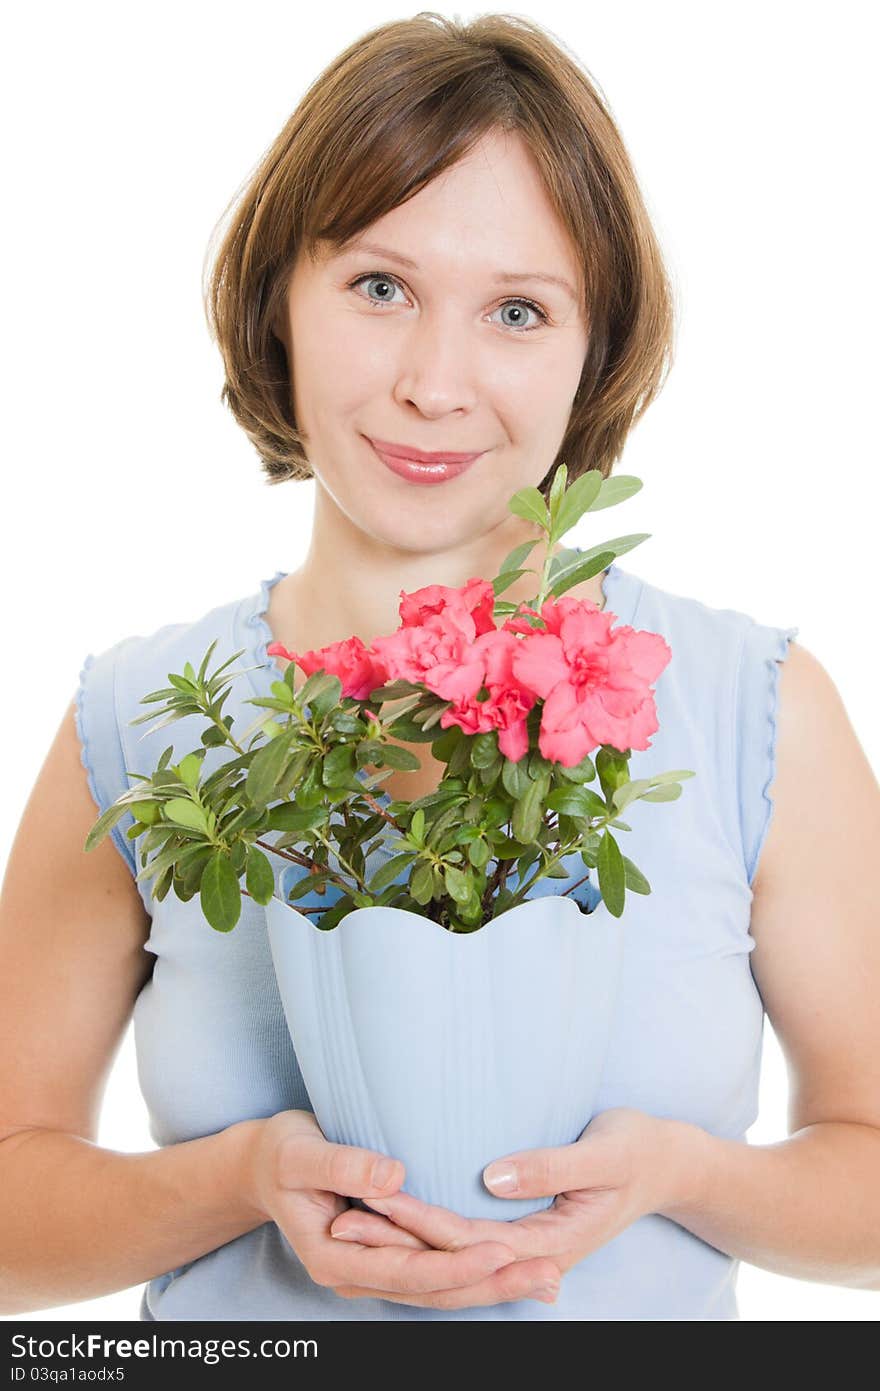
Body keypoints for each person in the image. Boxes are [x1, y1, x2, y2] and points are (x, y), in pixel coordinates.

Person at [1, 12, 878, 1322]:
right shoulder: (132, 724)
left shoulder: (751, 707)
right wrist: (245, 1180)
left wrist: (681, 1176)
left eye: (518, 311)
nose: (435, 384)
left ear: (592, 353)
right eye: (379, 286)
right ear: (278, 306)